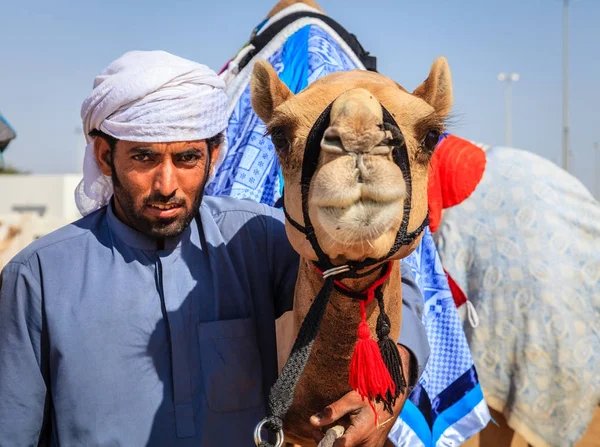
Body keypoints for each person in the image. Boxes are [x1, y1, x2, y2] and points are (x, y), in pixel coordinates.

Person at [0, 50, 429, 446]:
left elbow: (379, 273)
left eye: (187, 159)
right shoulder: (39, 277)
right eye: (144, 158)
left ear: (214, 154)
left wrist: (397, 368)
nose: (167, 185)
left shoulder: (255, 240)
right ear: (104, 155)